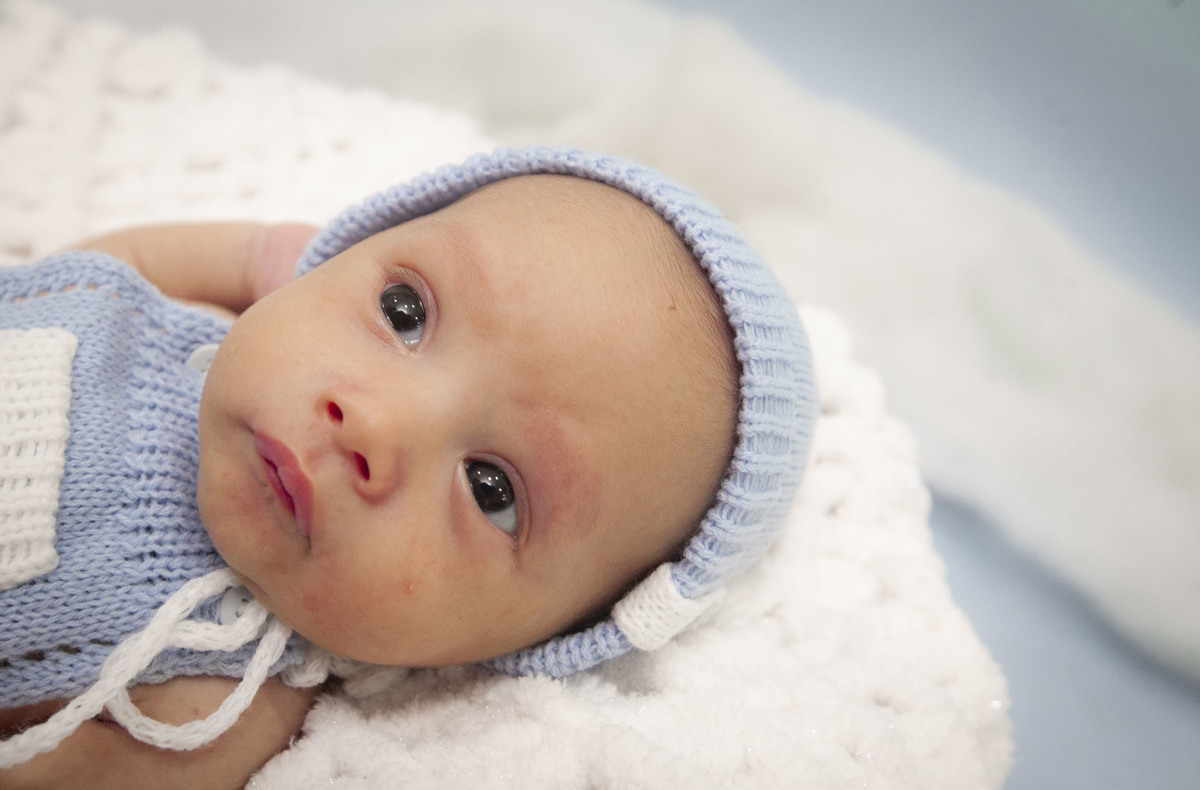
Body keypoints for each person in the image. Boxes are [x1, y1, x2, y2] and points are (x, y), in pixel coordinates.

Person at [0, 147, 816, 788]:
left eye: (491, 489)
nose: (375, 424)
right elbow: (70, 283)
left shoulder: (207, 697)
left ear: (534, 642)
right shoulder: (179, 321)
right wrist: (251, 256)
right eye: (404, 312)